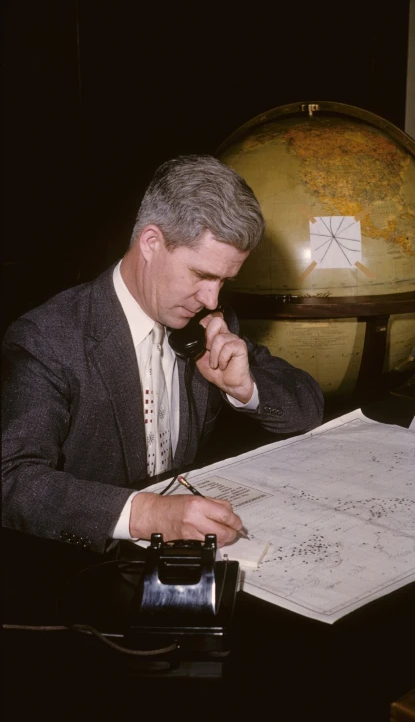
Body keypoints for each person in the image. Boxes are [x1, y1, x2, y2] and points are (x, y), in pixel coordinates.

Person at [2, 155, 324, 554]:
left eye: (224, 280)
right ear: (151, 243)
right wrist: (152, 514)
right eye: (203, 275)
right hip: (79, 569)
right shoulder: (47, 340)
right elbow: (13, 480)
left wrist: (246, 387)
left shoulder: (209, 319)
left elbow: (307, 407)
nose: (212, 298)